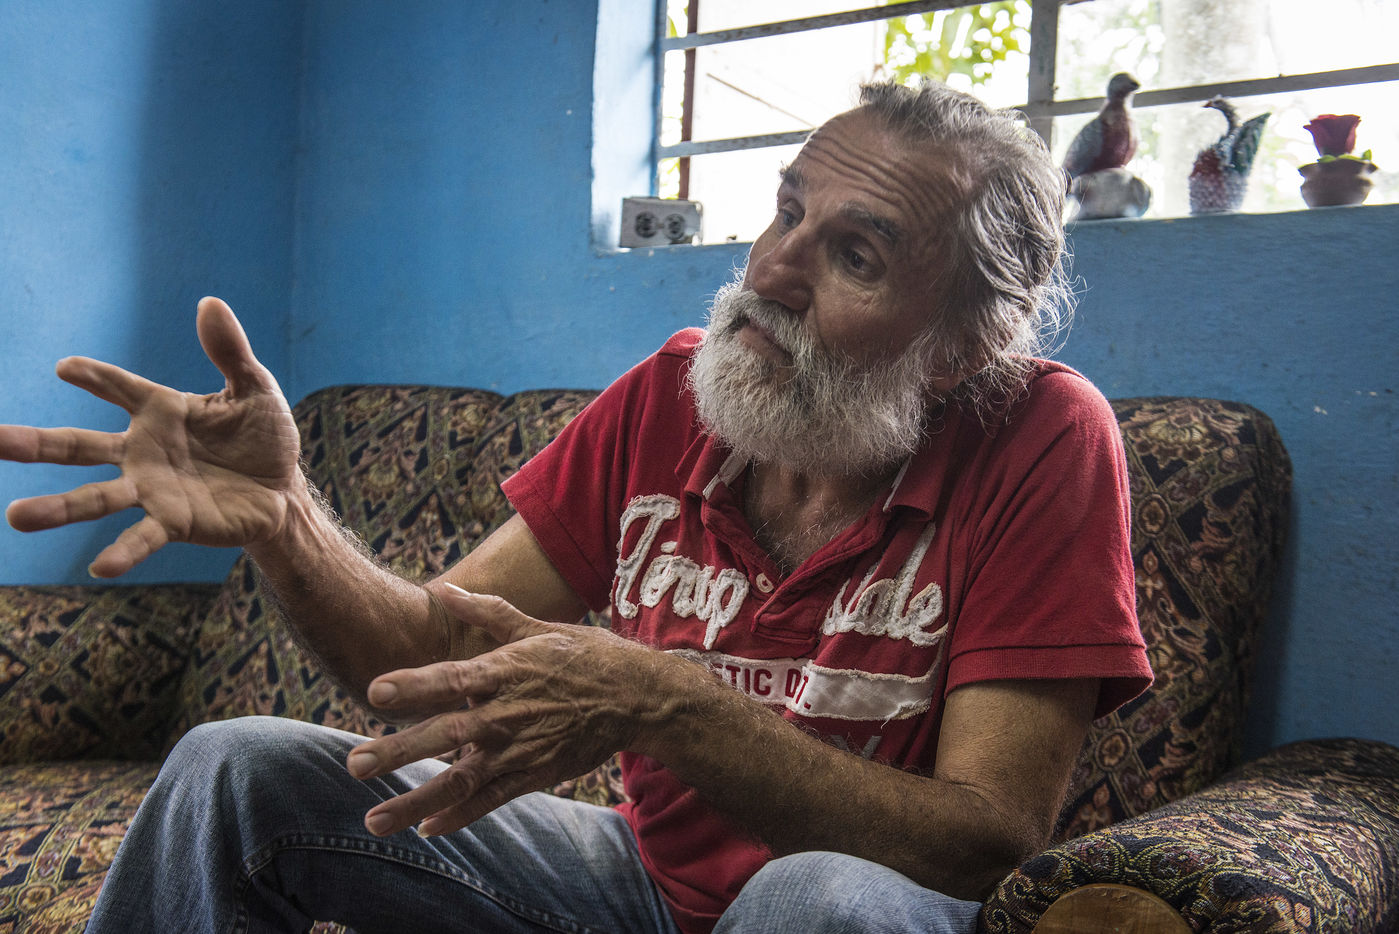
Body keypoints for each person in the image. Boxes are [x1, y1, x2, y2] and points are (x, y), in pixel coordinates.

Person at [1, 80, 1151, 934]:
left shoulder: (1045, 437)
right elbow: (429, 658)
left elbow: (984, 837)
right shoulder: (674, 393)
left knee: (812, 898)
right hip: (635, 885)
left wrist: (669, 704)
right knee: (236, 768)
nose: (770, 271)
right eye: (787, 210)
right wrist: (286, 516)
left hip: (862, 910)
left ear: (960, 347)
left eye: (854, 255)